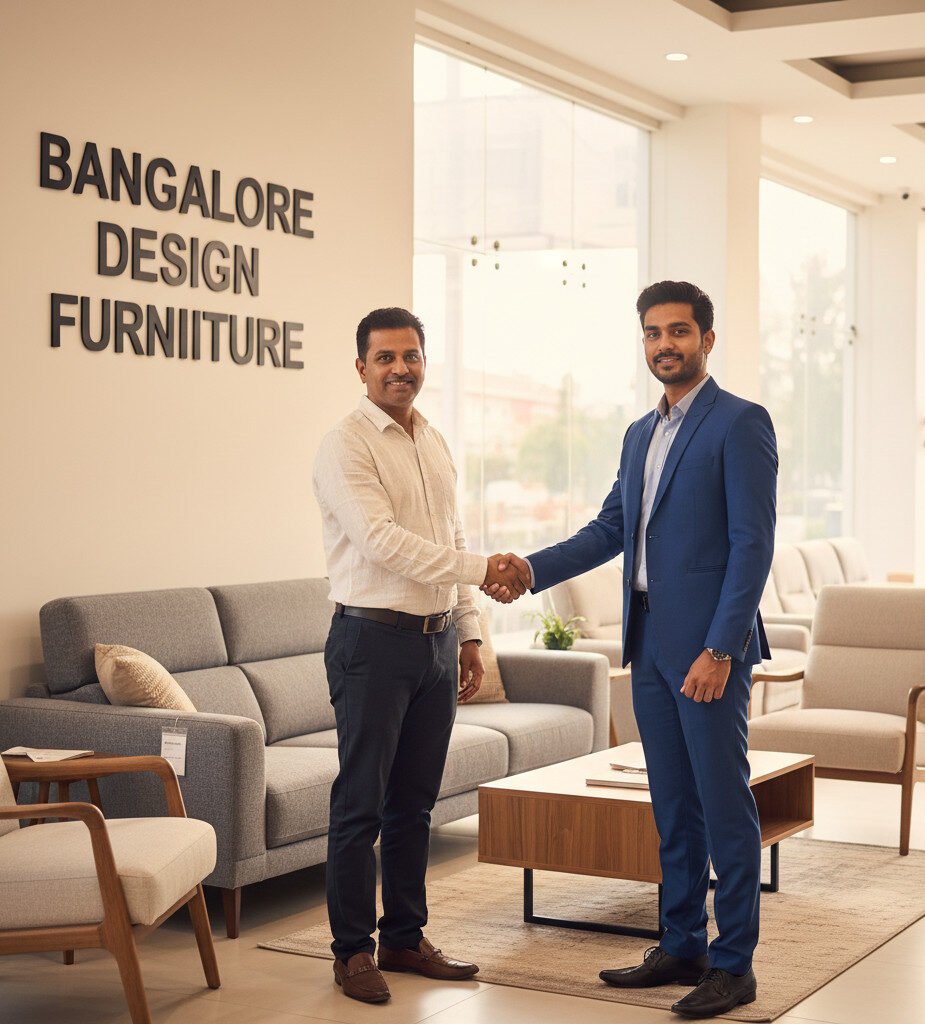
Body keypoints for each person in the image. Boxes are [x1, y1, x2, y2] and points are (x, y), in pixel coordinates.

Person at [484, 281, 777, 1019]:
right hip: (646, 644)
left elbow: (751, 546)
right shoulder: (637, 435)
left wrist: (721, 647)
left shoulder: (740, 423)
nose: (663, 345)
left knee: (722, 804)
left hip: (706, 651)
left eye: (677, 332)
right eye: (651, 334)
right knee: (673, 805)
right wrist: (531, 570)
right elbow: (610, 528)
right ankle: (682, 943)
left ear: (706, 340)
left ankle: (734, 964)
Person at [312, 306, 530, 1004]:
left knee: (414, 805)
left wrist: (466, 631)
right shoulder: (344, 445)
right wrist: (479, 568)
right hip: (370, 641)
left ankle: (403, 937)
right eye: (385, 358)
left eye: (411, 356)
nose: (400, 369)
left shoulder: (431, 439)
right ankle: (351, 953)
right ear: (361, 368)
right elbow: (382, 542)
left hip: (434, 642)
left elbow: (448, 530)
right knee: (360, 806)